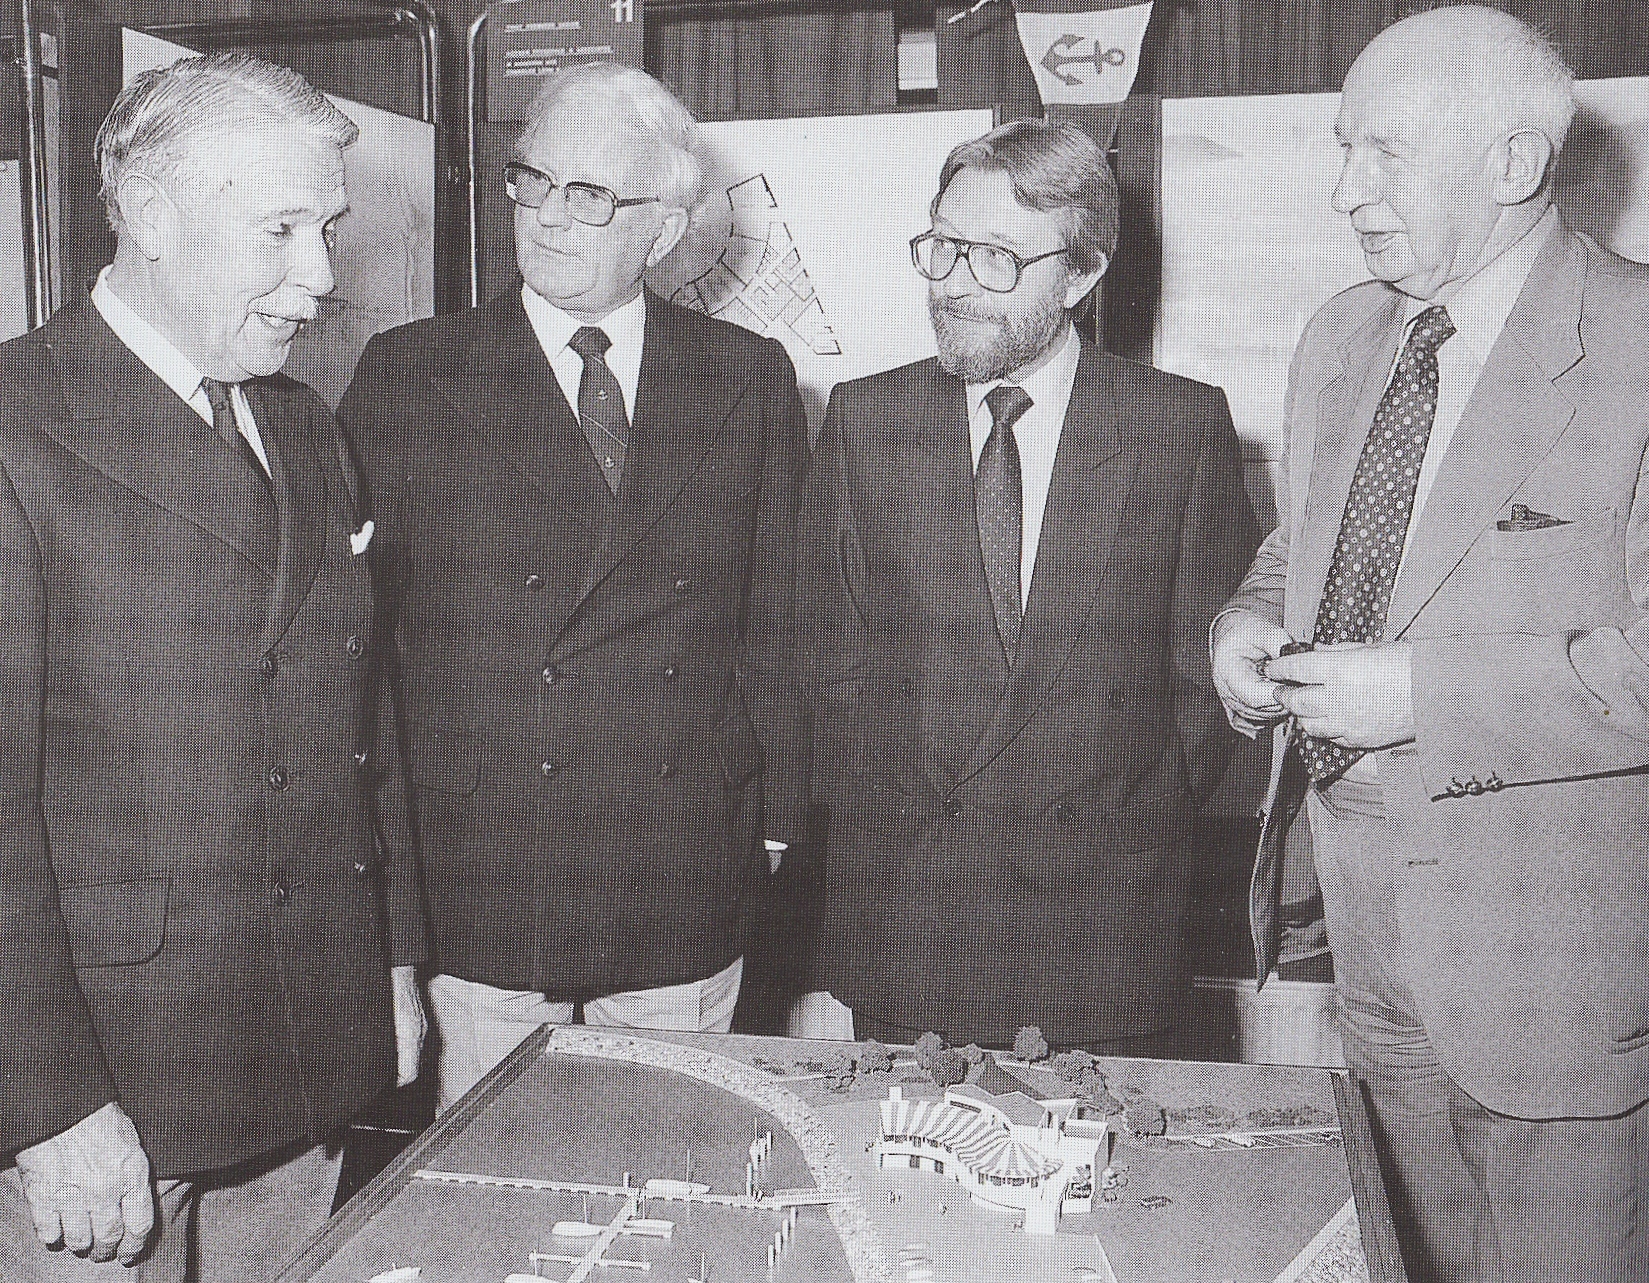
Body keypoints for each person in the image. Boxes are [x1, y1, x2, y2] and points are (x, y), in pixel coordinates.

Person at [1212, 8, 1649, 1280]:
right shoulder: (1342, 335)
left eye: (1383, 154)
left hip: (1549, 977)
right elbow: (1308, 546)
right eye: (1341, 149)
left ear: (1512, 165)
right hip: (1366, 944)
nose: (1344, 191)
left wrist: (1415, 692)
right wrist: (1246, 624)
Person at [0, 52, 426, 1283]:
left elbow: (361, 727)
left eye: (328, 227)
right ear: (148, 212)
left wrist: (387, 965)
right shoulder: (20, 425)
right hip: (112, 1094)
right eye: (282, 229)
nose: (323, 277)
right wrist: (46, 1106)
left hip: (300, 1051)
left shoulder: (301, 421)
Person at [339, 62, 809, 1113]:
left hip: (681, 858)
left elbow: (778, 619)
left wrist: (772, 823)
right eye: (532, 180)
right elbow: (366, 660)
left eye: (588, 195)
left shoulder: (747, 375)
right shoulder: (411, 374)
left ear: (664, 227)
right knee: (501, 1202)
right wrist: (398, 897)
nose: (547, 217)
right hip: (492, 870)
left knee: (674, 1169)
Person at [794, 118, 1257, 1053]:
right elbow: (828, 664)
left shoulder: (1178, 428)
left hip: (1102, 931)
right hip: (910, 924)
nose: (955, 283)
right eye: (943, 245)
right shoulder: (865, 419)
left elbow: (1200, 688)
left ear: (1082, 276)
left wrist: (1109, 814)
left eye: (998, 258)